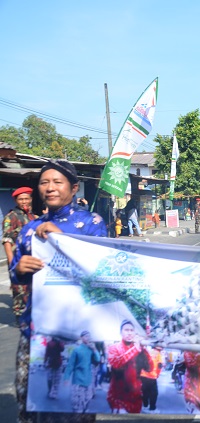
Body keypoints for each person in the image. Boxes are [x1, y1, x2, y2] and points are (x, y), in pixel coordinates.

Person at [9, 159, 107, 423]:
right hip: (36, 327)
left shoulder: (92, 223)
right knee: (30, 400)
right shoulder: (30, 228)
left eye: (57, 182)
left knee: (76, 404)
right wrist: (19, 269)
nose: (50, 188)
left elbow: (101, 271)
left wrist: (62, 238)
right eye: (44, 182)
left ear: (74, 188)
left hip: (79, 332)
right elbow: (14, 272)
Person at [2, 187, 37, 324]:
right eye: (21, 199)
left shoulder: (32, 217)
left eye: (26, 198)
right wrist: (12, 264)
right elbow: (7, 240)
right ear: (16, 200)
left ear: (31, 199)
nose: (24, 201)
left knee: (33, 290)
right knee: (20, 291)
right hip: (19, 260)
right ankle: (21, 320)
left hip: (33, 260)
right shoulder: (11, 217)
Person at [106, 320, 152, 414]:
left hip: (136, 400)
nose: (129, 333)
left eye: (131, 330)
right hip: (118, 399)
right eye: (126, 330)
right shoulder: (113, 348)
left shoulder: (139, 349)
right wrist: (135, 348)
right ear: (120, 332)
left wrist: (143, 350)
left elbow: (149, 368)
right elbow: (117, 363)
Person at [64, 330, 100, 414]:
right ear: (81, 338)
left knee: (87, 401)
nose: (88, 338)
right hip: (78, 380)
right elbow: (70, 365)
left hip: (88, 380)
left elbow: (97, 359)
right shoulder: (76, 350)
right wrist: (66, 377)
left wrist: (94, 349)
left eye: (89, 336)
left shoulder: (91, 349)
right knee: (77, 404)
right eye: (86, 336)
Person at [140, 346, 164, 414]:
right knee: (154, 393)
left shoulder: (146, 352)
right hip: (152, 376)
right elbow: (159, 366)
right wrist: (157, 374)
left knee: (145, 392)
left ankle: (145, 406)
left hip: (143, 375)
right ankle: (152, 409)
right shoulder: (158, 354)